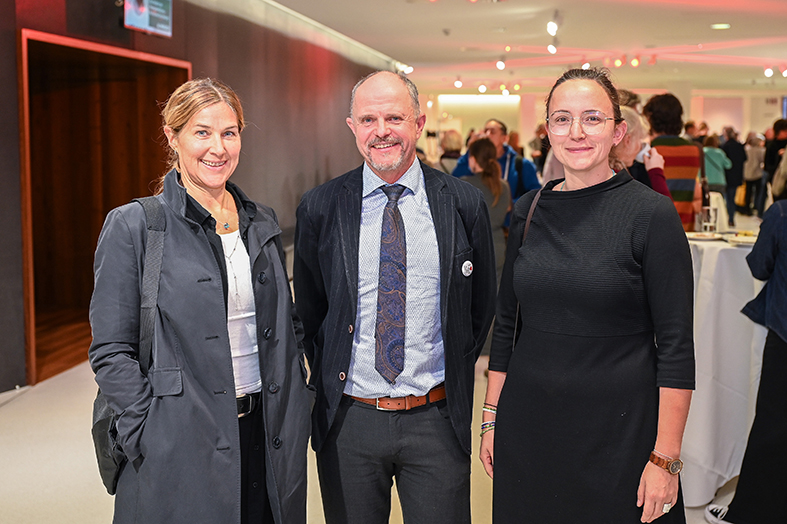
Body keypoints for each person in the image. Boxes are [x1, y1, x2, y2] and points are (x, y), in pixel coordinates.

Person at [88, 78, 313, 524]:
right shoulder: (134, 226)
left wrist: (299, 401)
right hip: (179, 441)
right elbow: (111, 350)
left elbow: (288, 323)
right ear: (172, 137)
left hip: (267, 436)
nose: (218, 147)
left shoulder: (259, 221)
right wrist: (147, 429)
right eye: (202, 132)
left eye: (230, 132)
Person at [480, 68, 695, 524]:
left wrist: (665, 459)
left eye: (592, 118)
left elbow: (676, 347)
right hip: (530, 427)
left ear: (618, 131)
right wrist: (491, 418)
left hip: (620, 435)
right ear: (548, 131)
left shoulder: (650, 215)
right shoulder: (528, 209)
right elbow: (507, 323)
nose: (576, 132)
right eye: (562, 119)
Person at [293, 71, 496, 524]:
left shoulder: (463, 203)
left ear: (419, 123)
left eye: (394, 117)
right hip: (350, 422)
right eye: (368, 119)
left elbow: (479, 310)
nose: (381, 130)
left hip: (436, 420)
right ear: (352, 126)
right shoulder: (321, 207)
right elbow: (310, 313)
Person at [705, 198, 787, 524]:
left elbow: (758, 266)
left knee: (773, 423)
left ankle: (751, 513)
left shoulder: (781, 213)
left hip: (785, 335)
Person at [643, 93, 703, 231]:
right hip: (686, 224)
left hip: (656, 226)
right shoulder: (693, 150)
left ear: (650, 118)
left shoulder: (651, 151)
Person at [451, 118, 541, 211]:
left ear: (504, 138)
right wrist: (472, 149)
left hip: (510, 222)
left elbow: (534, 195)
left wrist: (509, 205)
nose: (487, 135)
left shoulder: (521, 164)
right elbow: (454, 180)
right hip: (478, 221)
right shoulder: (477, 162)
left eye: (492, 132)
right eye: (485, 131)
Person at [461, 137, 511, 282]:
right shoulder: (503, 186)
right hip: (498, 247)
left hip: (473, 248)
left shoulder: (465, 184)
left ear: (474, 159)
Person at [612, 105, 670, 197]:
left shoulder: (605, 172)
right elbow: (667, 210)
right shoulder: (620, 180)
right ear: (628, 140)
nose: (640, 147)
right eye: (639, 139)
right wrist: (656, 172)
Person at [720, 127, 747, 226]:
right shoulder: (739, 146)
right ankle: (731, 217)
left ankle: (728, 217)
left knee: (727, 198)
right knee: (733, 197)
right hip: (737, 175)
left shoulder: (724, 146)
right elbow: (745, 158)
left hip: (727, 176)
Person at [743, 132, 765, 215]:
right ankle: (757, 207)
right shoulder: (761, 151)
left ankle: (747, 209)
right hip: (757, 173)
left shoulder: (746, 149)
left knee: (748, 192)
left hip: (747, 173)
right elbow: (762, 161)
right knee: (758, 192)